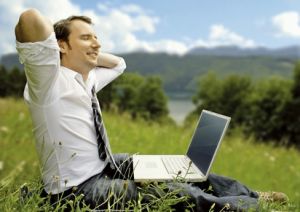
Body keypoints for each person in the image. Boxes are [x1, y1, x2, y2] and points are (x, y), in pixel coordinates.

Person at [15, 8, 288, 211]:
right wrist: (58, 54)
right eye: (86, 38)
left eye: (96, 37)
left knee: (175, 168)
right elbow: (29, 19)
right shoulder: (47, 82)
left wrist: (88, 53)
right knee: (165, 190)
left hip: (104, 164)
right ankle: (241, 206)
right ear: (60, 45)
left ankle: (250, 193)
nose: (97, 43)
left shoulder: (89, 78)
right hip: (78, 188)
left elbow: (120, 64)